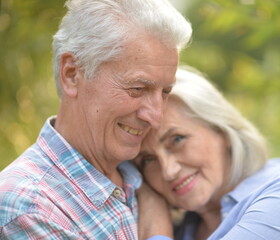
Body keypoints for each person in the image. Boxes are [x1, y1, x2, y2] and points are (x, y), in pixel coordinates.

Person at [0, 0, 192, 239]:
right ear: (71, 74)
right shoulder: (32, 208)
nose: (156, 116)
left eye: (165, 92)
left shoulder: (142, 171)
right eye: (137, 88)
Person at [133, 67, 280, 240]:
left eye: (177, 139)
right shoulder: (182, 231)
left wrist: (154, 218)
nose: (168, 171)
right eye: (148, 160)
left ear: (222, 130)